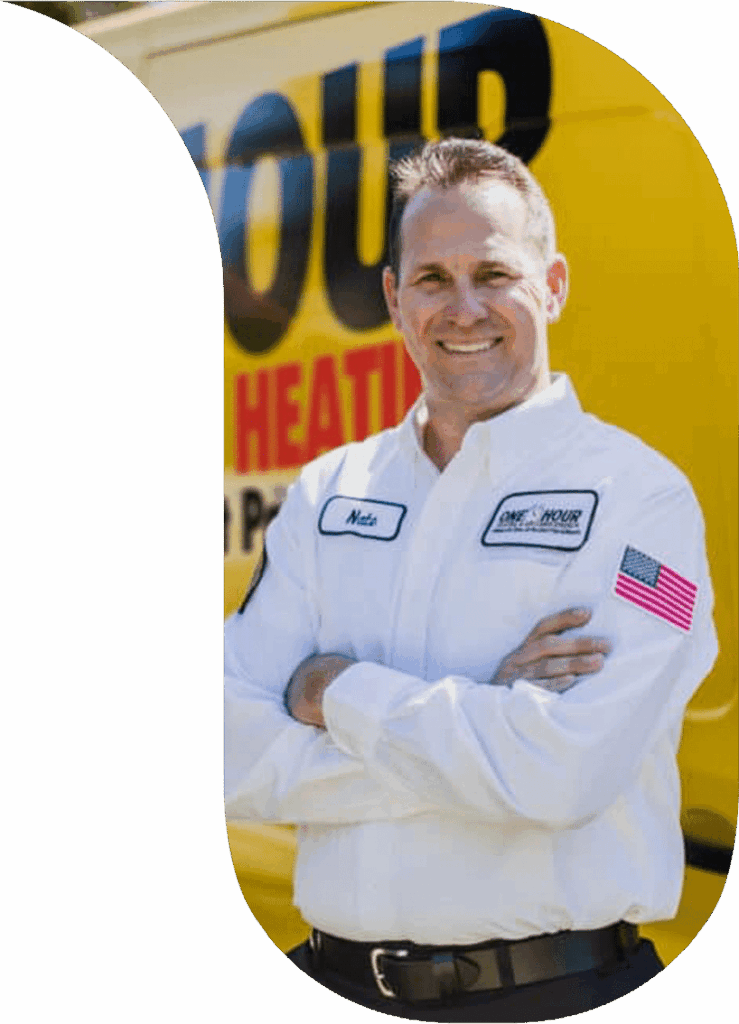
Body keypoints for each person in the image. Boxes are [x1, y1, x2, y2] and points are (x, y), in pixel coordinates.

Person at [224, 138, 718, 1021]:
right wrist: (484, 726)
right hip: (326, 981)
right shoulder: (330, 491)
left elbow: (564, 778)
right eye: (430, 279)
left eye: (493, 272)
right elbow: (222, 752)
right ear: (392, 297)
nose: (462, 309)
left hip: (549, 994)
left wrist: (337, 691)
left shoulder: (640, 500)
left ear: (553, 284)